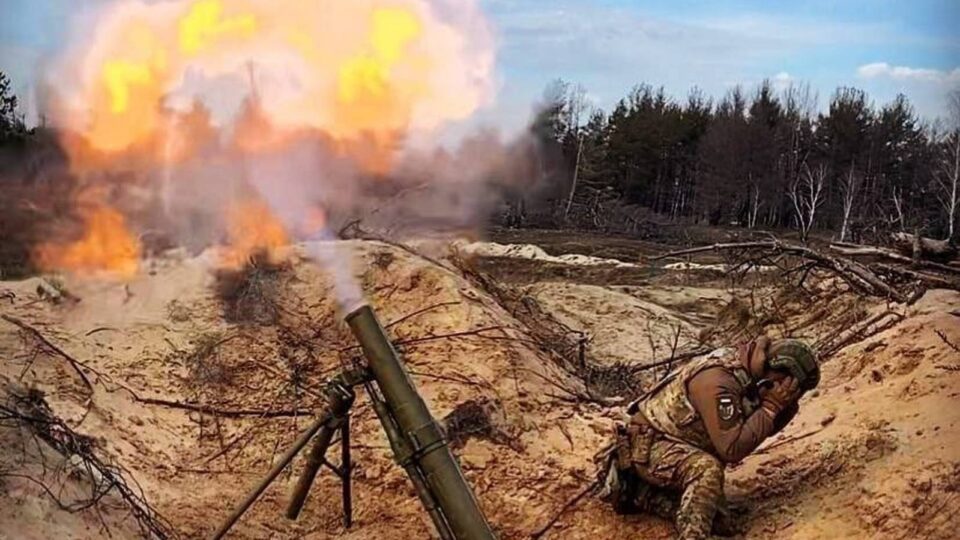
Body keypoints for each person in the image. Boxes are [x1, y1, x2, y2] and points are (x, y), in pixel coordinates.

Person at [598, 337, 820, 539]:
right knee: (707, 470)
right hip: (648, 447)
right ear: (774, 373)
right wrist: (771, 407)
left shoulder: (749, 373)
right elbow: (732, 449)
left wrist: (779, 409)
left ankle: (643, 494)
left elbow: (756, 432)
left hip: (677, 445)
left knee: (723, 524)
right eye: (786, 385)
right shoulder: (720, 382)